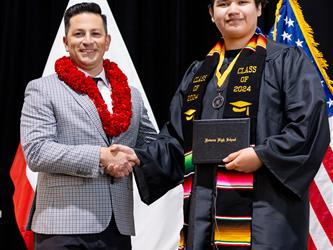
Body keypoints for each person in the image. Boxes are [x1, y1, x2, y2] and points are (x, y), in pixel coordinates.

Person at [114, 0, 330, 249]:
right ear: (211, 13)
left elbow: (308, 126)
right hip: (203, 212)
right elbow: (177, 140)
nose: (233, 10)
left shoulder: (287, 62)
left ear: (259, 8)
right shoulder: (199, 74)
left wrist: (261, 155)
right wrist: (141, 157)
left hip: (265, 215)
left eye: (243, 2)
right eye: (223, 4)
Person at [20, 2, 157, 249]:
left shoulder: (132, 94)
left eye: (95, 34)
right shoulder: (42, 89)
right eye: (78, 34)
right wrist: (100, 157)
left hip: (117, 226)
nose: (87, 41)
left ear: (107, 41)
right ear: (65, 41)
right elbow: (37, 152)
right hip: (62, 226)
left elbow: (150, 145)